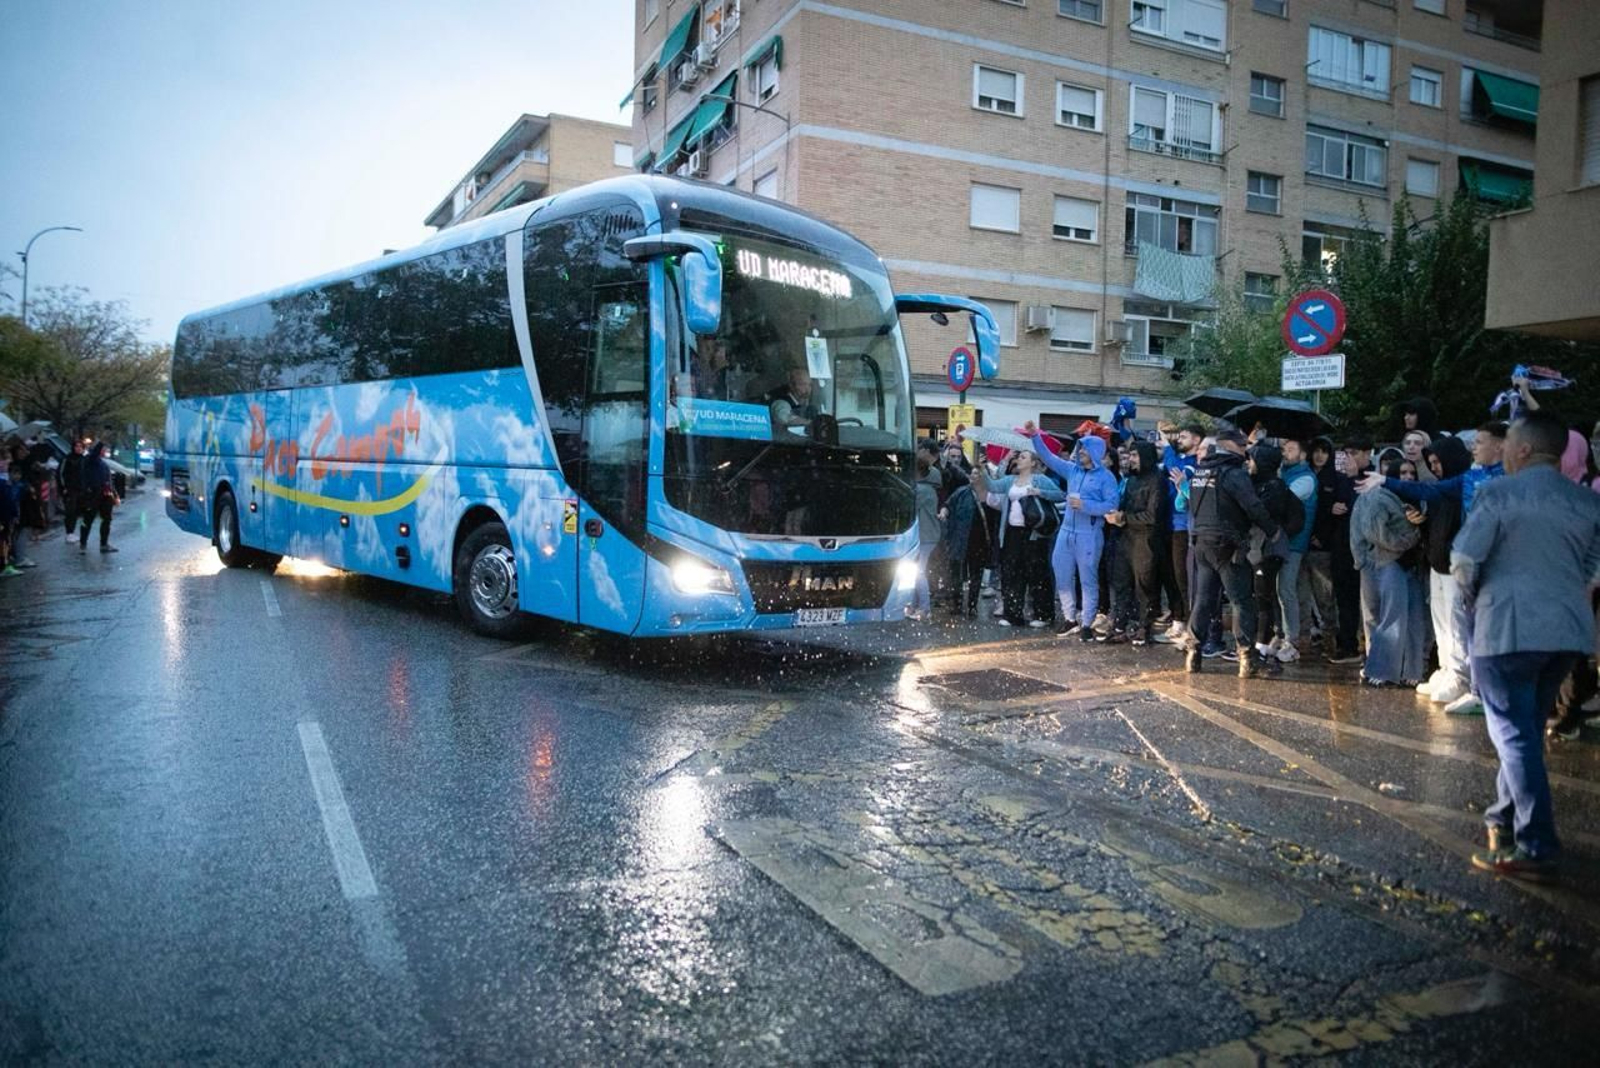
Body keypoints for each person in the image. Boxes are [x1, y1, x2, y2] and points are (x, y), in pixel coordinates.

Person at [1452, 412, 1600, 882]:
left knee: (1514, 734)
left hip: (1506, 628)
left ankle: (1536, 845)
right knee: (1527, 728)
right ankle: (1503, 818)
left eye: (1507, 444)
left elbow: (1464, 560)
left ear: (1522, 449)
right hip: (1567, 631)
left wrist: (1476, 601)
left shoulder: (1498, 493)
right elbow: (1594, 566)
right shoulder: (1586, 500)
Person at [1356, 422, 1508, 714]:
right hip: (1468, 565)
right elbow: (1430, 489)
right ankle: (1464, 680)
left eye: (1480, 442)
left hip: (1498, 566)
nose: (1474, 447)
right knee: (1461, 623)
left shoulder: (1513, 479)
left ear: (1500, 445)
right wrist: (1385, 481)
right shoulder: (1470, 477)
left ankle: (1484, 688)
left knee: (1485, 629)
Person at [1185, 429, 1282, 677]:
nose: (1245, 450)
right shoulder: (1233, 473)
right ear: (1228, 445)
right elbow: (1253, 506)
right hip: (1228, 543)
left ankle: (1193, 653)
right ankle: (1247, 659)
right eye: (1241, 446)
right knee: (1242, 601)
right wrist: (1272, 530)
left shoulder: (1201, 472)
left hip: (1201, 542)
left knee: (1204, 598)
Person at [1032, 430, 1119, 641]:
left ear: (1095, 452)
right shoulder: (1072, 470)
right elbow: (1048, 458)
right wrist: (1035, 435)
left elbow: (1111, 505)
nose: (1079, 452)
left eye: (1084, 449)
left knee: (1088, 579)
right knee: (1062, 574)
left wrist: (1085, 505)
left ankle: (1087, 623)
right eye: (1079, 448)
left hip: (1089, 533)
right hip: (1066, 531)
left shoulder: (1106, 477)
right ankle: (1070, 618)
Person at [1350, 460, 1425, 686]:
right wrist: (1412, 538)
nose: (1408, 477)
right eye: (1402, 473)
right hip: (1386, 562)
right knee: (1387, 619)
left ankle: (1403, 670)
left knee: (1406, 619)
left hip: (1402, 564)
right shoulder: (1379, 497)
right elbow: (1376, 534)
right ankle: (1382, 670)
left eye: (1411, 473)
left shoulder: (1416, 500)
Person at [973, 450, 1064, 628]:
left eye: (1023, 457)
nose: (1018, 460)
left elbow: (1060, 494)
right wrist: (983, 471)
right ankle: (1012, 614)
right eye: (1018, 457)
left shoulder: (1040, 479)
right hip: (1012, 531)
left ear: (1033, 463)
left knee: (1037, 573)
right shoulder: (1010, 480)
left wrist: (1040, 492)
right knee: (1012, 572)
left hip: (1034, 533)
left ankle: (1043, 614)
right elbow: (993, 487)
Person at [1414, 438, 1474, 705]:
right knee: (1440, 617)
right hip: (1436, 562)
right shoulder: (1440, 489)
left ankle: (1460, 676)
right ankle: (1446, 667)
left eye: (1437, 462)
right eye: (1432, 463)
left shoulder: (1462, 487)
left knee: (1455, 622)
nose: (1435, 467)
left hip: (1453, 565)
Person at [1243, 443, 1295, 672]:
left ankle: (1262, 647)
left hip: (1269, 549)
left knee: (1264, 596)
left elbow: (1260, 513)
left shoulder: (1275, 487)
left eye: (1253, 459)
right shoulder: (1258, 484)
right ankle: (1263, 641)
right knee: (1260, 596)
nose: (1249, 463)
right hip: (1258, 548)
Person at [1106, 439, 1164, 646]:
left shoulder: (1157, 480)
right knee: (1121, 582)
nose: (1130, 459)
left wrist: (1124, 518)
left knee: (1144, 585)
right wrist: (1117, 515)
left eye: (1135, 455)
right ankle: (1119, 626)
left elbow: (1153, 515)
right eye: (1130, 455)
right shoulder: (1131, 479)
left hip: (1146, 539)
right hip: (1126, 537)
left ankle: (1144, 627)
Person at [1154, 424, 1202, 645]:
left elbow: (1175, 470)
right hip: (1168, 524)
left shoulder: (1194, 463)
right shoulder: (1181, 458)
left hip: (1184, 527)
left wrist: (1166, 446)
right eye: (1179, 436)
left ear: (1197, 440)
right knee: (1172, 576)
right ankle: (1178, 620)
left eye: (1184, 436)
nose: (1179, 439)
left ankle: (1190, 627)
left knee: (1184, 579)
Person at [1275, 439, 1317, 663]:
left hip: (1294, 542)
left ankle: (1292, 640)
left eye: (1291, 450)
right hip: (1282, 541)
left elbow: (1282, 499)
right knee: (1284, 590)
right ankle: (1283, 634)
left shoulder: (1306, 478)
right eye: (1284, 449)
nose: (1285, 453)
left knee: (1286, 591)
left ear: (1302, 455)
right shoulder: (1285, 473)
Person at [940, 470, 991, 619]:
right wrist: (944, 513)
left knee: (976, 575)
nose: (974, 476)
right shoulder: (962, 492)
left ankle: (972, 605)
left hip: (980, 541)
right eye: (973, 473)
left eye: (978, 474)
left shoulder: (991, 495)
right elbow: (948, 505)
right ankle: (957, 603)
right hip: (960, 539)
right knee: (956, 573)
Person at [78, 442, 119, 553]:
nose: (105, 451)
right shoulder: (90, 460)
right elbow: (94, 453)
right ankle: (83, 544)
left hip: (105, 495)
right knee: (88, 520)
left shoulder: (103, 464)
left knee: (107, 519)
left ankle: (104, 544)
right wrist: (101, 442)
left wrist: (115, 495)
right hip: (92, 495)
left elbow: (108, 480)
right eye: (103, 449)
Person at [768, 367, 826, 433]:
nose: (807, 389)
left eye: (810, 385)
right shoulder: (781, 403)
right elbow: (785, 418)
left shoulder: (809, 406)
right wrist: (811, 423)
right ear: (791, 385)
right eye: (802, 384)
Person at [59, 438, 86, 538]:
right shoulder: (67, 459)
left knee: (77, 511)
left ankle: (72, 532)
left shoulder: (83, 460)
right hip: (70, 489)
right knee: (70, 511)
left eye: (81, 447)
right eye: (77, 446)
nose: (78, 448)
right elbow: (61, 474)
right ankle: (69, 532)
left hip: (80, 489)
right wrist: (64, 487)